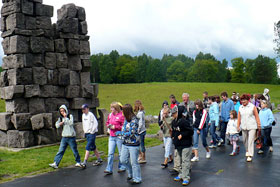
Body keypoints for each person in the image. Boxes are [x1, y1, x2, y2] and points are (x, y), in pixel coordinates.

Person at [49, 105, 83, 169]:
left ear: (65, 110)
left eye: (63, 111)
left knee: (74, 150)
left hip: (71, 136)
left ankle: (78, 161)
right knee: (60, 150)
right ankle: (56, 163)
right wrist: (60, 123)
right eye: (61, 111)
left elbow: (71, 123)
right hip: (64, 137)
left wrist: (66, 118)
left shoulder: (70, 116)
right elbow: (56, 125)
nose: (62, 112)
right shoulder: (60, 118)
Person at [118, 104, 142, 184]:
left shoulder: (134, 120)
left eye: (123, 110)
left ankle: (137, 178)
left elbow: (132, 132)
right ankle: (131, 171)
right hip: (125, 143)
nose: (122, 112)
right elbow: (123, 129)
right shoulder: (126, 119)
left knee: (134, 162)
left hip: (133, 144)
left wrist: (120, 134)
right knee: (123, 160)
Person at [172, 105, 193, 186]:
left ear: (178, 113)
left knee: (185, 161)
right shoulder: (174, 122)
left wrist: (182, 135)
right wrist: (173, 137)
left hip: (186, 144)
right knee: (180, 160)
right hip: (178, 144)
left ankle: (186, 177)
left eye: (174, 113)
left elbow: (191, 131)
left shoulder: (184, 122)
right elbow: (174, 131)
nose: (173, 115)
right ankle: (181, 174)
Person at [237, 94, 261, 162]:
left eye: (244, 100)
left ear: (248, 100)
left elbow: (256, 116)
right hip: (244, 126)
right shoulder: (240, 107)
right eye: (242, 100)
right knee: (245, 141)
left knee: (250, 141)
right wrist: (238, 125)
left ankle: (250, 155)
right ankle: (247, 150)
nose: (243, 101)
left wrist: (259, 125)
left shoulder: (252, 107)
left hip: (252, 126)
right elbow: (239, 117)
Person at [104, 102, 126, 175]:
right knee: (110, 153)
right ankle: (109, 168)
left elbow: (123, 126)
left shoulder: (121, 116)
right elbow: (107, 122)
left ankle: (122, 166)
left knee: (120, 153)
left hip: (119, 136)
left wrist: (115, 127)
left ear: (116, 108)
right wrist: (109, 126)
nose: (110, 109)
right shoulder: (110, 115)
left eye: (112, 108)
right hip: (112, 136)